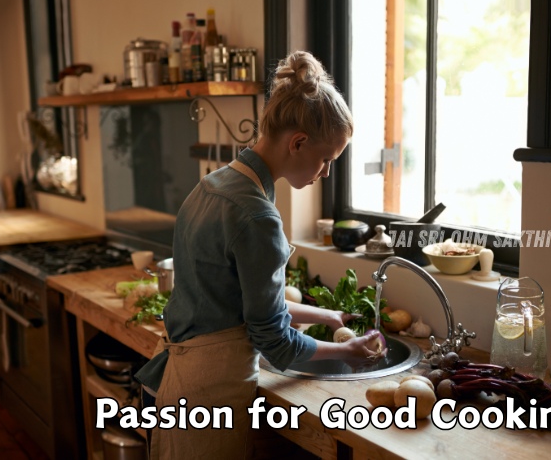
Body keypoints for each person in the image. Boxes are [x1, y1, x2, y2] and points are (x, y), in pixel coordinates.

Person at [135, 50, 383, 459]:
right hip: (208, 393)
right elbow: (276, 343)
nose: (325, 173)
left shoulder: (212, 185)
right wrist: (347, 352)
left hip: (178, 378)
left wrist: (327, 316)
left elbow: (233, 303)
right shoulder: (258, 217)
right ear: (299, 142)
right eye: (327, 159)